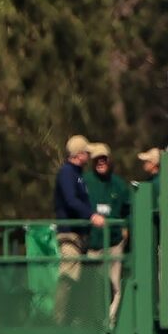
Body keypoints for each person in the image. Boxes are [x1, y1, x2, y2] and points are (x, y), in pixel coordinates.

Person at [53, 134, 103, 315]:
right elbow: (71, 200)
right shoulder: (67, 173)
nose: (89, 156)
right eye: (87, 153)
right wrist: (91, 215)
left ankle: (74, 318)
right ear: (79, 154)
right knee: (68, 276)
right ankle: (58, 320)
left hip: (80, 236)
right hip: (69, 235)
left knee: (80, 279)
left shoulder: (78, 174)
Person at [86, 143, 135, 319]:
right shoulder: (85, 181)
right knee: (92, 285)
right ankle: (93, 320)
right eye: (97, 159)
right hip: (92, 244)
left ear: (109, 160)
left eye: (104, 158)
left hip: (114, 243)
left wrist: (127, 229)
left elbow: (129, 210)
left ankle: (111, 320)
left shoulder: (119, 185)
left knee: (115, 286)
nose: (101, 162)